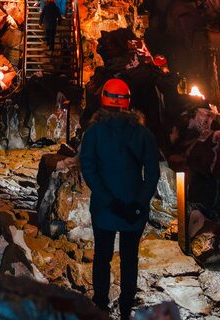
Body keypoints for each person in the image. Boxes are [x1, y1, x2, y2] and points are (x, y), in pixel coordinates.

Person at [80, 78, 160, 320]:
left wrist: (109, 201)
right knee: (129, 259)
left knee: (102, 257)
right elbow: (152, 172)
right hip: (133, 210)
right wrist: (139, 203)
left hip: (105, 209)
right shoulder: (143, 133)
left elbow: (89, 170)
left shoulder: (93, 132)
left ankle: (101, 306)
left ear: (103, 100)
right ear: (128, 102)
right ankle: (126, 309)